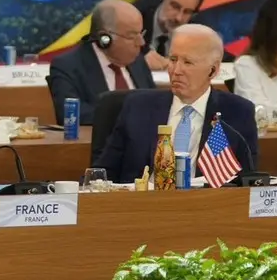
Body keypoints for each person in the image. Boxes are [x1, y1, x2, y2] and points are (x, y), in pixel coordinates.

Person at [96, 25, 258, 184]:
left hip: (205, 206)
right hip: (141, 205)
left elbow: (247, 182)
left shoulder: (237, 113)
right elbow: (102, 174)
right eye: (173, 59)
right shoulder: (138, 107)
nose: (176, 70)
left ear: (213, 70)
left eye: (187, 62)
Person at [46, 0, 155, 125]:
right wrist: (129, 116)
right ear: (105, 39)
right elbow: (71, 115)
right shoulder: (68, 66)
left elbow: (154, 105)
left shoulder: (138, 62)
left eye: (141, 33)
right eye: (131, 36)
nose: (141, 42)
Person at [138, 0, 205, 72]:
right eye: (175, 6)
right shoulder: (137, 19)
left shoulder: (195, 31)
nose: (179, 18)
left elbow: (218, 54)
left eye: (187, 12)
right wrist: (139, 60)